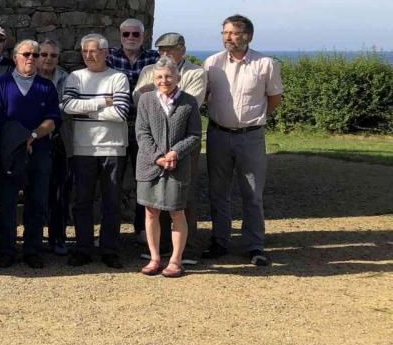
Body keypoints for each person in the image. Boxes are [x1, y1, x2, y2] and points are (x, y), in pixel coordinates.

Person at [203, 15, 283, 266]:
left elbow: (274, 98)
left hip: (251, 137)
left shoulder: (266, 64)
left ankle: (255, 245)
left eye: (234, 33)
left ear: (248, 36)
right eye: (225, 33)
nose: (228, 37)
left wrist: (253, 121)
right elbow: (205, 96)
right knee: (218, 192)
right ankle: (220, 241)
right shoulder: (212, 63)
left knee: (252, 193)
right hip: (218, 134)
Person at [0, 40, 62, 269]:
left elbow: (53, 120)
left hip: (39, 151)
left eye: (35, 55)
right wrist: (19, 139)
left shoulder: (46, 87)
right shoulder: (1, 84)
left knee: (37, 201)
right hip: (9, 152)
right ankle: (7, 250)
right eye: (26, 54)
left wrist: (32, 137)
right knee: (7, 202)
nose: (31, 58)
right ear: (16, 57)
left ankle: (32, 250)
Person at [133, 31, 206, 258]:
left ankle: (184, 251)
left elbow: (190, 104)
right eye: (161, 49)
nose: (165, 53)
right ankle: (159, 250)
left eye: (170, 48)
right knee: (153, 205)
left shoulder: (195, 72)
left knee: (180, 203)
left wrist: (175, 151)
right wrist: (157, 155)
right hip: (153, 154)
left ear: (182, 49)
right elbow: (139, 101)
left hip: (181, 152)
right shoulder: (149, 71)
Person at [61, 34, 131, 268]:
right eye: (84, 52)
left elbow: (121, 112)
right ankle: (83, 248)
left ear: (105, 52)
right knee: (82, 201)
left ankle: (109, 249)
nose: (88, 56)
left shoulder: (118, 77)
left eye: (93, 51)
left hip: (113, 147)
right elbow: (68, 107)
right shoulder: (75, 77)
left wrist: (85, 109)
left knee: (111, 201)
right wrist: (102, 101)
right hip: (83, 148)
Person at [106, 18, 160, 243]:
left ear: (143, 37)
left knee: (144, 181)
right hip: (116, 128)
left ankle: (142, 229)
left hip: (144, 129)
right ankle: (111, 232)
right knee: (112, 181)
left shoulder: (154, 59)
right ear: (120, 36)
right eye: (126, 34)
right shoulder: (108, 57)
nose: (130, 38)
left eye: (135, 34)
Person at [38, 39, 72, 255]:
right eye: (44, 54)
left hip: (59, 140)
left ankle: (57, 237)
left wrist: (46, 112)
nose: (48, 58)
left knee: (60, 191)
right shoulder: (27, 76)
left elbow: (69, 108)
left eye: (53, 55)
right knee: (35, 191)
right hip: (33, 140)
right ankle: (33, 238)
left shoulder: (66, 78)